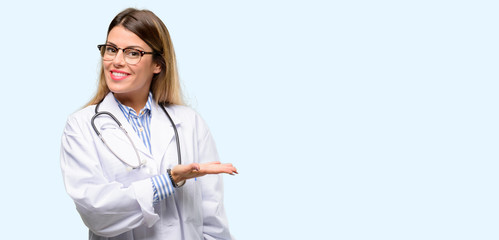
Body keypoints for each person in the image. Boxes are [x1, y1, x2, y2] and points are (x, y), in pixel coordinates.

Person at [60, 8, 237, 240]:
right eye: (111, 50)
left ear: (158, 65)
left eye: (133, 53)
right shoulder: (80, 126)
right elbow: (95, 210)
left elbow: (213, 221)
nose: (117, 61)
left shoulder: (190, 122)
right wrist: (168, 181)